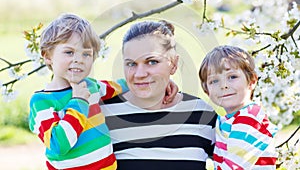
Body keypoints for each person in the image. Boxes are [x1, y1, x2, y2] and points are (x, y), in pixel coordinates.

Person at [101, 20, 217, 170]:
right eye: (131, 64)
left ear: (174, 64)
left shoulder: (201, 113)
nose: (140, 74)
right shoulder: (104, 114)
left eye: (152, 62)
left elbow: (238, 160)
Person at [28, 13, 129, 170]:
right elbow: (58, 145)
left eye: (86, 54)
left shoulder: (90, 86)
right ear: (47, 56)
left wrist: (152, 82)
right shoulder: (42, 101)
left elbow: (119, 86)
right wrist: (79, 102)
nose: (79, 59)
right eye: (69, 52)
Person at [199, 45, 278, 169]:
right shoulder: (227, 120)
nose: (223, 86)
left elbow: (233, 166)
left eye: (232, 77)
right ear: (206, 90)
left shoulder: (249, 118)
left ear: (251, 81)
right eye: (214, 81)